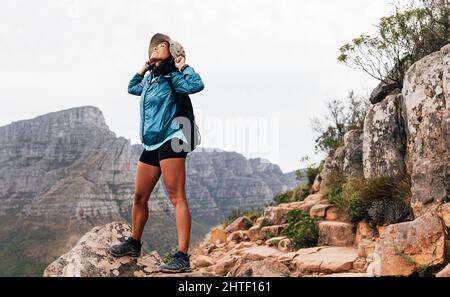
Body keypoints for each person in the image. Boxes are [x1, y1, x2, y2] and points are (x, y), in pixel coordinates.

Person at [108, 33, 205, 273]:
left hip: (174, 136)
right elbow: (132, 88)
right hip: (152, 143)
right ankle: (134, 243)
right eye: (154, 46)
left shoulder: (174, 77)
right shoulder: (150, 80)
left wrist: (184, 66)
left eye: (162, 46)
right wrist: (143, 68)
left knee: (176, 196)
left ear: (172, 53)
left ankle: (182, 256)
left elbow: (196, 85)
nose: (156, 48)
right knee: (139, 197)